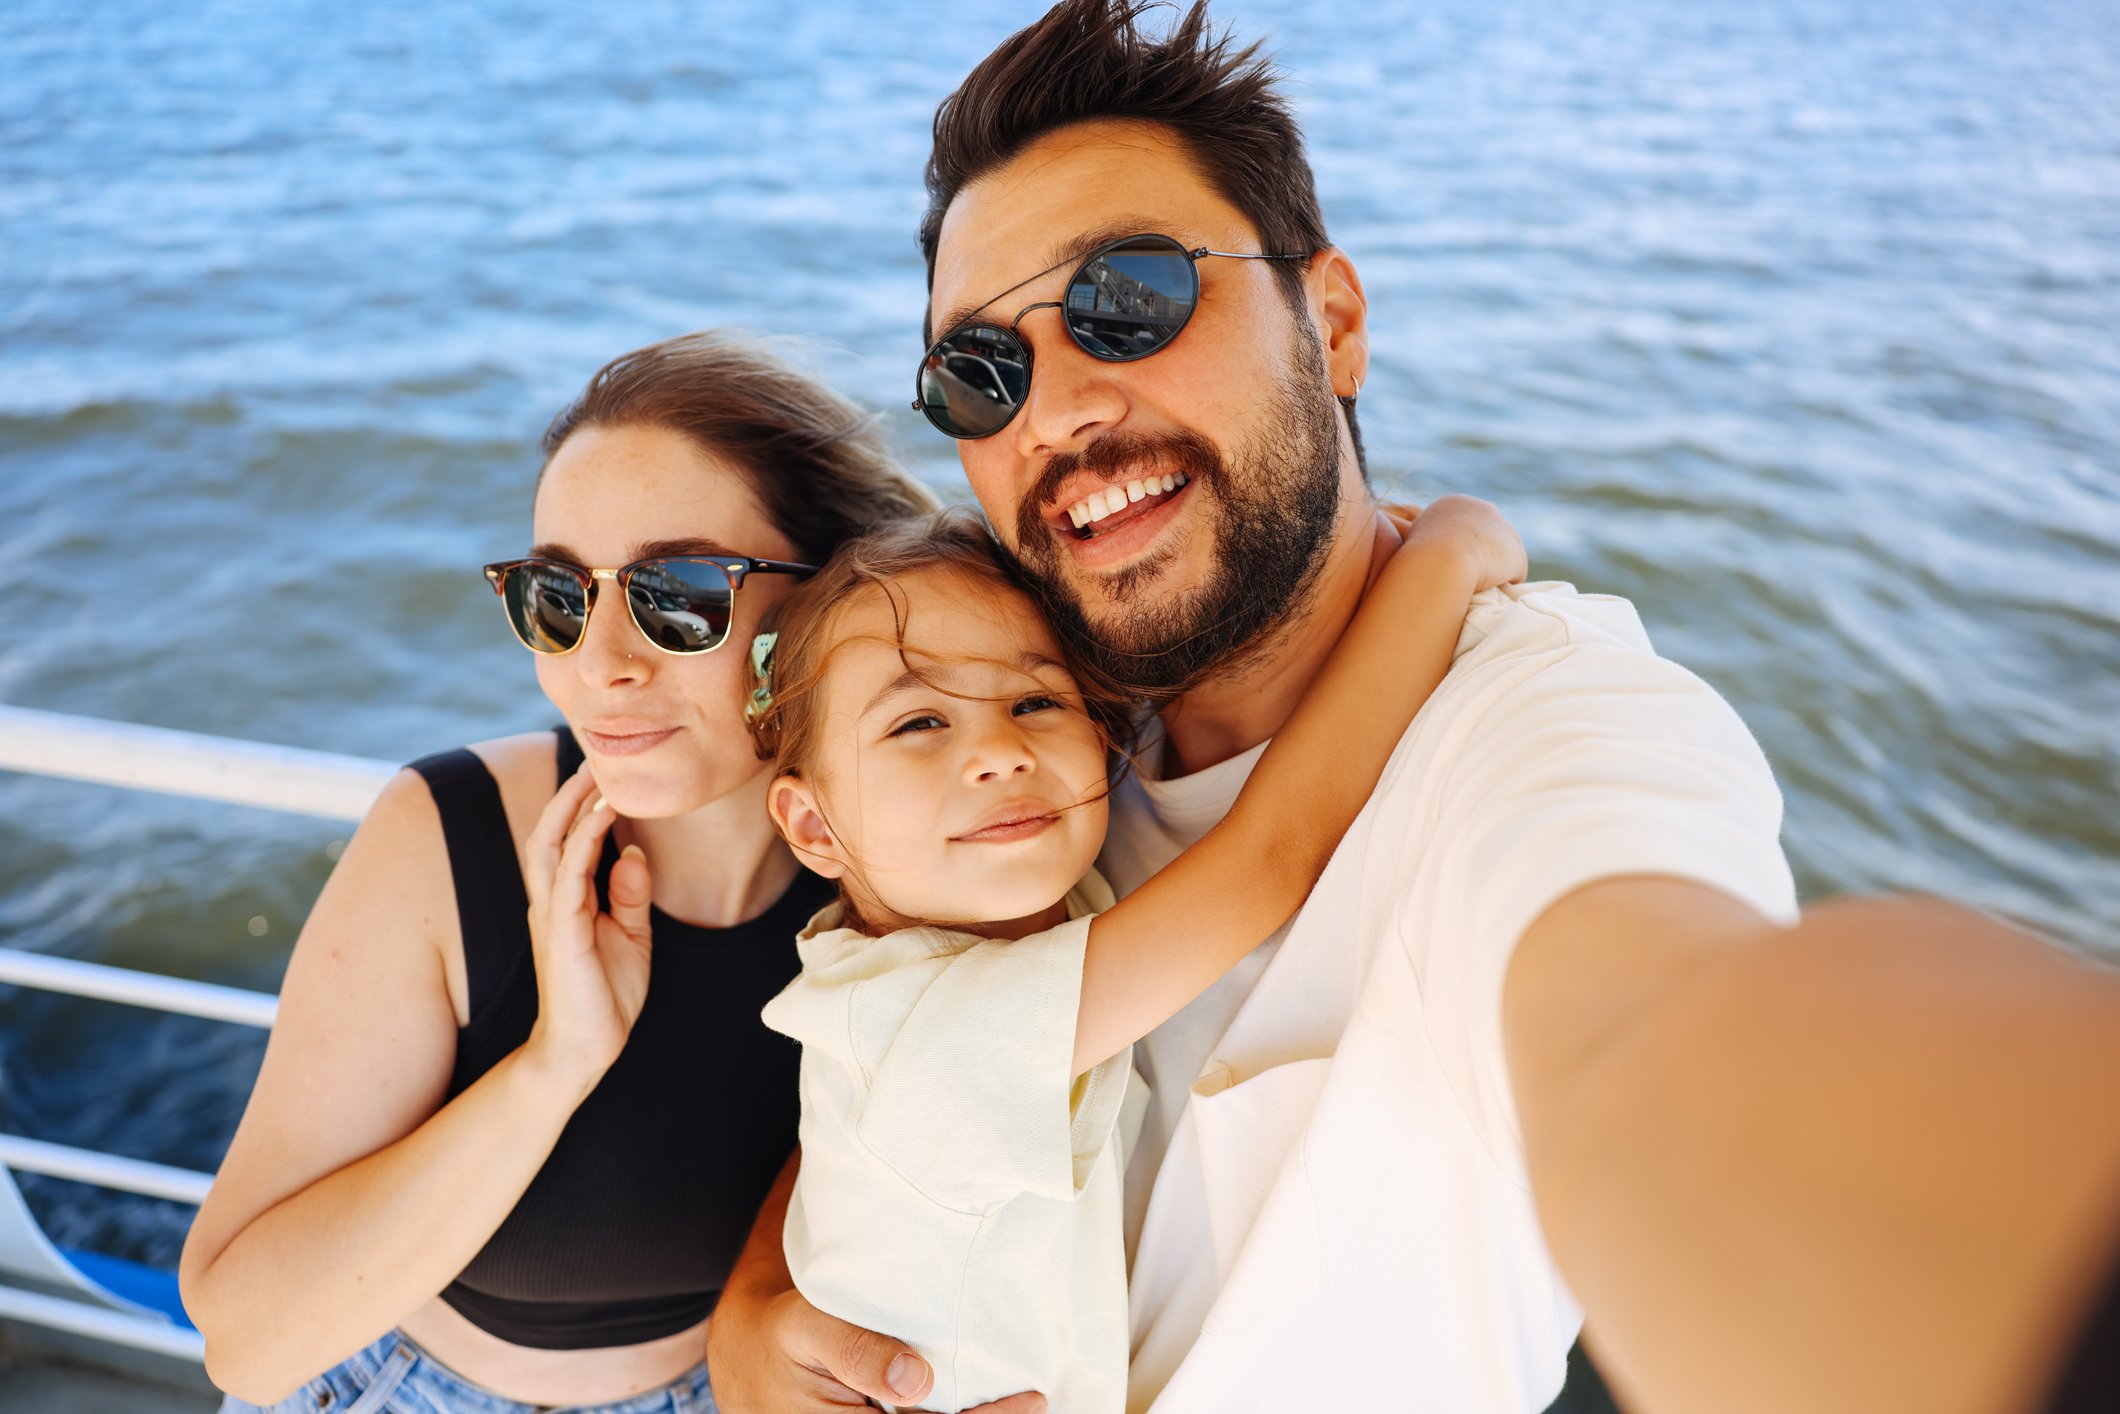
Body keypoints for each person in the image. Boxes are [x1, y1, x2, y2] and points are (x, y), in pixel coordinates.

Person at [704, 5, 2120, 1413]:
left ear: (1333, 322)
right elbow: (907, 1032)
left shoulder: (1542, 739)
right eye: (981, 373)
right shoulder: (1041, 744)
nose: (1056, 411)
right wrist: (761, 1298)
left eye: (1125, 299)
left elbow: (1658, 1029)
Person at [177, 332, 938, 1413]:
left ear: (830, 592)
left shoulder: (909, 860)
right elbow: (246, 1345)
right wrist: (555, 1060)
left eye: (676, 594)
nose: (601, 664)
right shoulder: (450, 838)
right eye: (557, 596)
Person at [745, 497, 1521, 1412]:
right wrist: (1448, 555)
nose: (999, 751)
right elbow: (1270, 855)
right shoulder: (940, 1033)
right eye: (917, 724)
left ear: (1105, 732)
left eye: (1036, 701)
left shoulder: (894, 953)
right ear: (812, 825)